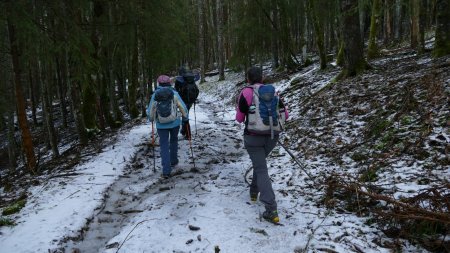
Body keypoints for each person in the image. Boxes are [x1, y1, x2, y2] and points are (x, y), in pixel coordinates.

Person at [235, 67, 289, 224]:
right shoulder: (273, 92)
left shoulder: (245, 92)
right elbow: (285, 115)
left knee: (261, 168)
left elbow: (239, 118)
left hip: (253, 138)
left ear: (248, 78)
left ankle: (271, 208)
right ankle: (253, 191)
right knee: (260, 165)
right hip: (272, 136)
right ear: (262, 77)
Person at [147, 75, 189, 179]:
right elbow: (183, 107)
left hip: (161, 125)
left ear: (158, 83)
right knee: (174, 141)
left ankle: (166, 170)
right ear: (170, 83)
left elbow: (150, 111)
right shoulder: (174, 93)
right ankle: (174, 162)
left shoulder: (155, 95)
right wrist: (185, 118)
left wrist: (151, 119)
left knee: (164, 145)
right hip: (174, 123)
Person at [174, 66, 200, 139]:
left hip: (183, 100)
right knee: (185, 115)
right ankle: (184, 131)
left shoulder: (179, 80)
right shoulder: (191, 79)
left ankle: (188, 134)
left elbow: (176, 91)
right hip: (191, 101)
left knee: (185, 116)